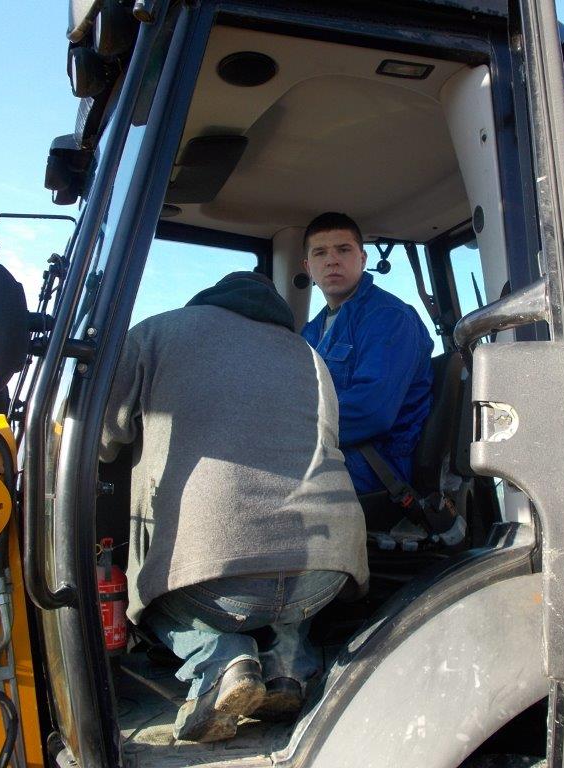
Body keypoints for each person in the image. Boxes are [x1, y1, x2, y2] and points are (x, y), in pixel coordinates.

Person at [100, 271, 368, 743]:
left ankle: (219, 659)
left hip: (219, 589)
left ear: (209, 298)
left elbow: (100, 437)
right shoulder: (310, 355)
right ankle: (287, 669)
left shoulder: (156, 332)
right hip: (327, 574)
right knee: (292, 564)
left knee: (152, 594)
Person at [300, 212, 434, 495]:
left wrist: (292, 432)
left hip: (375, 465)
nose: (332, 260)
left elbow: (372, 412)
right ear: (308, 267)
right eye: (320, 252)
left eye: (343, 249)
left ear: (362, 259)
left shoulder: (389, 318)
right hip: (331, 451)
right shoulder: (310, 332)